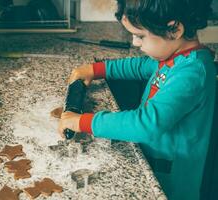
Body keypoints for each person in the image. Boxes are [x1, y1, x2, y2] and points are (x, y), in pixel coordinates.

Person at [58, 0, 216, 199]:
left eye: (140, 36)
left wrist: (83, 121)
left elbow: (146, 124)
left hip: (170, 185)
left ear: (174, 29)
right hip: (153, 164)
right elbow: (141, 66)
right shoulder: (174, 56)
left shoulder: (191, 72)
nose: (135, 43)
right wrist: (97, 70)